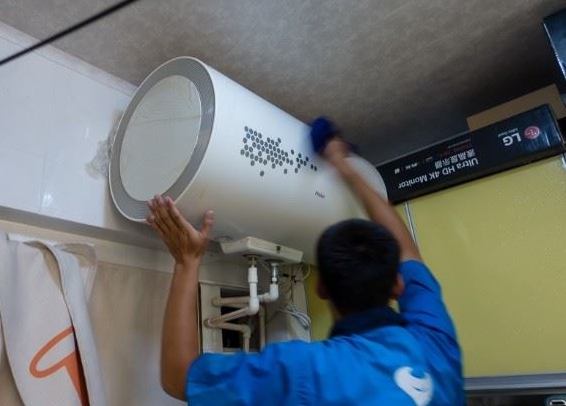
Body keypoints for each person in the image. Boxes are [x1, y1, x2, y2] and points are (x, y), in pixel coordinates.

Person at [145, 135, 464, 405]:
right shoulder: (434, 344)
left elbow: (180, 378)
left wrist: (187, 261)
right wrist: (346, 169)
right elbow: (408, 252)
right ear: (398, 284)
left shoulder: (307, 370)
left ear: (321, 287)